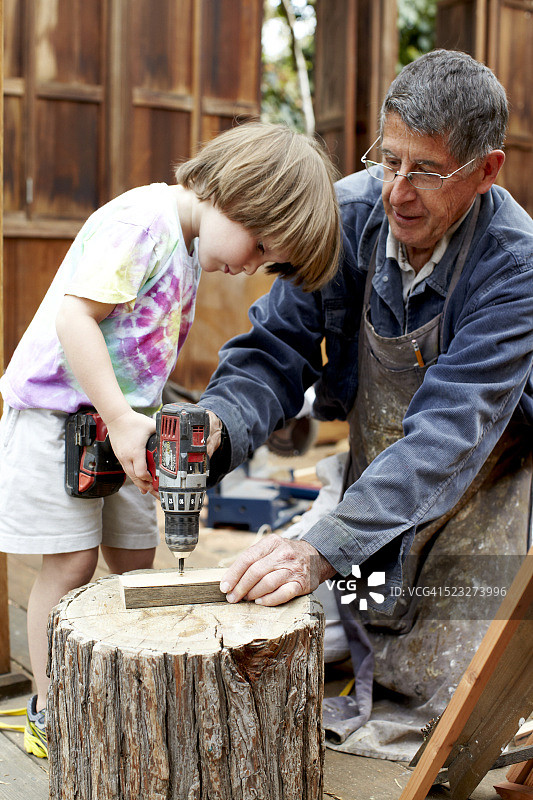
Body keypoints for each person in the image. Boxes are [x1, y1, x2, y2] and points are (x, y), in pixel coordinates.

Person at [200, 51, 533, 760]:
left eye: (425, 171)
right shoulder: (350, 214)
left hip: (482, 481)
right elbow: (274, 350)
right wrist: (215, 428)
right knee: (336, 621)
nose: (397, 192)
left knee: (446, 701)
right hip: (376, 476)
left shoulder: (514, 266)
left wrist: (319, 548)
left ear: (485, 172)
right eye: (388, 161)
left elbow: (448, 433)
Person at [0, 121, 341, 758]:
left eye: (267, 261)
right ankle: (49, 706)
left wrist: (138, 427)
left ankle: (132, 685)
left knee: (136, 556)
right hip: (58, 417)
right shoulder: (143, 222)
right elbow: (73, 318)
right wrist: (125, 418)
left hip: (117, 425)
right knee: (70, 564)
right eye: (258, 243)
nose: (248, 266)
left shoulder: (186, 247)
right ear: (237, 192)